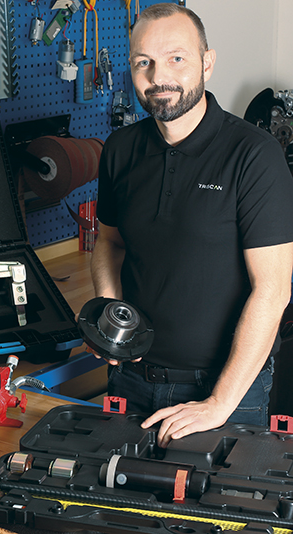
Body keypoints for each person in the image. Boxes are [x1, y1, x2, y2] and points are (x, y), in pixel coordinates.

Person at [90, 3, 293, 448]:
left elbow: (273, 291)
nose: (158, 76)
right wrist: (110, 316)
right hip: (131, 379)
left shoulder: (254, 155)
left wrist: (219, 402)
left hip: (225, 390)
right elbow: (109, 242)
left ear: (207, 63)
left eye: (176, 58)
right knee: (117, 490)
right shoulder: (120, 149)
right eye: (143, 62)